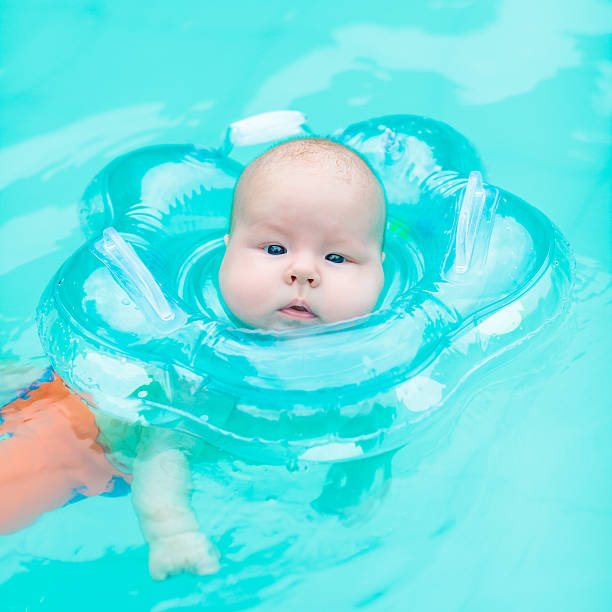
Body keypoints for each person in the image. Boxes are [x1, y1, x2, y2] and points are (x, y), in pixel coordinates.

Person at [0, 137, 388, 580]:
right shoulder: (202, 367)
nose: (303, 272)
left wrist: (359, 481)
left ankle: (24, 377)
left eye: (336, 256)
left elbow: (375, 427)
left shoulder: (379, 360)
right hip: (87, 435)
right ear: (226, 249)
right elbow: (161, 452)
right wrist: (172, 532)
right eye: (275, 249)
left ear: (379, 266)